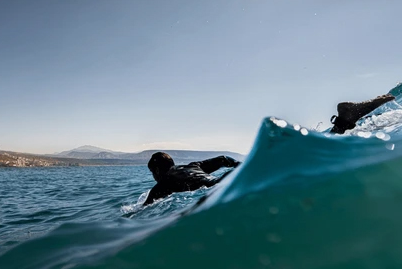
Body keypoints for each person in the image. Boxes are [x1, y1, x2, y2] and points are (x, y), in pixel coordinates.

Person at [144, 92, 396, 205]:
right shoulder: (193, 166)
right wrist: (242, 168)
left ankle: (343, 124)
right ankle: (342, 123)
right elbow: (222, 158)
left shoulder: (162, 184)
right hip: (228, 178)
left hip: (220, 187)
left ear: (157, 169)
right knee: (295, 158)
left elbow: (143, 210)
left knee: (294, 163)